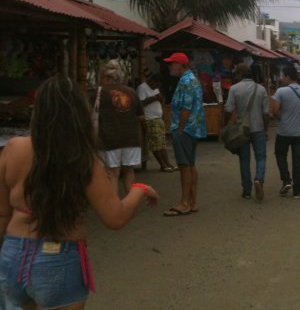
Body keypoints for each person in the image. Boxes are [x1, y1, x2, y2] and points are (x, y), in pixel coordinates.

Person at [0, 76, 159, 309]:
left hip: (12, 254)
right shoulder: (83, 158)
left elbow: (2, 213)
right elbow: (115, 218)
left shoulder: (13, 149)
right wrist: (139, 189)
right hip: (58, 257)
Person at [163, 52, 206, 216]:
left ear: (180, 65)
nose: (170, 66)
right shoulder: (191, 79)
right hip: (192, 128)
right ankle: (192, 201)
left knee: (184, 166)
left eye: (172, 63)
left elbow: (186, 108)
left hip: (185, 129)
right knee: (190, 164)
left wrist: (179, 129)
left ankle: (185, 202)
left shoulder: (186, 82)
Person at [95, 60, 146, 194]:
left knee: (113, 173)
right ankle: (131, 202)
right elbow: (141, 116)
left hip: (109, 138)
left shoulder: (99, 92)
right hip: (131, 138)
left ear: (106, 76)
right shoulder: (131, 92)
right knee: (129, 171)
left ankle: (114, 206)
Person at [271, 65, 300, 199]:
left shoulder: (281, 91)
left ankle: (286, 180)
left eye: (282, 76)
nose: (281, 79)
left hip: (284, 132)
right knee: (298, 161)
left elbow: (274, 111)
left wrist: (282, 118)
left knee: (280, 155)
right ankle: (297, 192)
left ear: (287, 76)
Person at [225, 63, 270, 201]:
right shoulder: (261, 89)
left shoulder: (234, 89)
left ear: (239, 74)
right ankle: (259, 180)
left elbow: (228, 109)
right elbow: (266, 113)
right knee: (261, 157)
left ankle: (246, 190)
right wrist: (266, 129)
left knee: (244, 159)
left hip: (241, 131)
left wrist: (227, 125)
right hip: (258, 129)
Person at [137, 72, 177, 172]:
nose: (156, 87)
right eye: (156, 84)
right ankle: (162, 164)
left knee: (162, 143)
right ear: (152, 81)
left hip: (158, 118)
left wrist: (160, 99)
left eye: (158, 86)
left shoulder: (155, 89)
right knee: (155, 144)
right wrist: (155, 98)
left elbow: (160, 100)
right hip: (150, 119)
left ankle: (168, 163)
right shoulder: (142, 88)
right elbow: (140, 103)